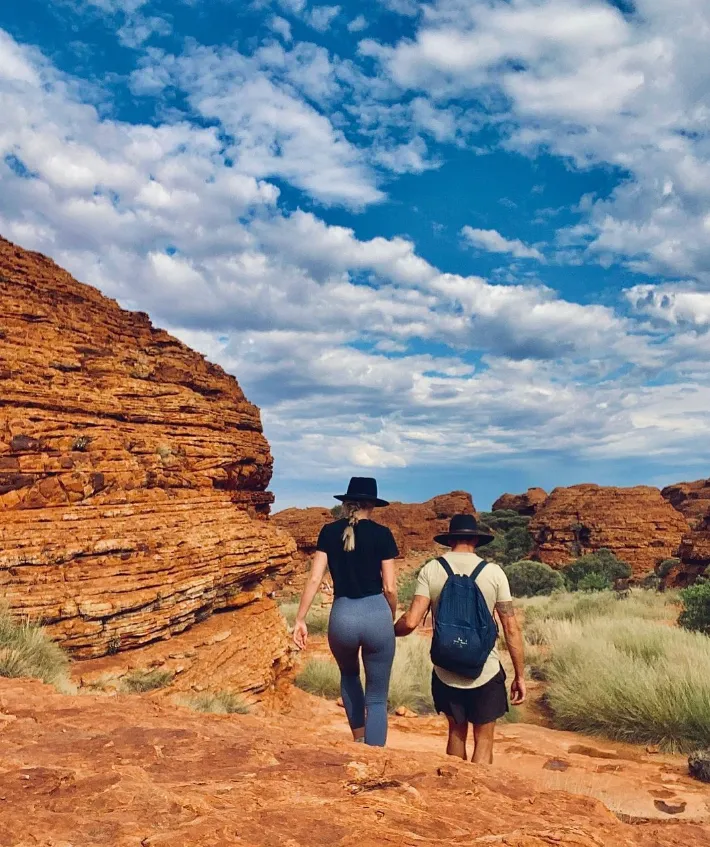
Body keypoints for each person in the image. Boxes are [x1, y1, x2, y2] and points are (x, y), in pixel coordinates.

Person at [395, 513, 526, 764]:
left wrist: (389, 631)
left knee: (455, 732)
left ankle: (454, 790)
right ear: (476, 539)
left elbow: (411, 621)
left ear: (450, 539)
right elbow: (510, 627)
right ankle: (478, 795)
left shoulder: (432, 569)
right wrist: (520, 676)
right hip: (485, 670)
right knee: (484, 740)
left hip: (446, 669)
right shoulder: (494, 573)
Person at [293, 477, 399, 747]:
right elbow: (389, 586)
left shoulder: (329, 532)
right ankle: (374, 755)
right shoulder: (382, 534)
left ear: (347, 502)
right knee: (376, 695)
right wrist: (390, 614)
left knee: (349, 676)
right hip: (376, 614)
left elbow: (315, 579)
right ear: (372, 505)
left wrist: (300, 619)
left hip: (343, 616)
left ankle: (359, 739)